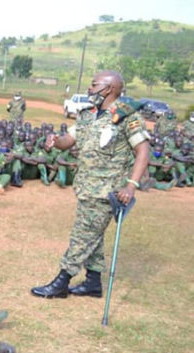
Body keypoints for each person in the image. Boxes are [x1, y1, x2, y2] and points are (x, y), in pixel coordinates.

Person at [31, 70, 151, 299]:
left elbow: (143, 151)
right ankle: (93, 283)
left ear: (109, 89)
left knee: (82, 235)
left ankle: (61, 281)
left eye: (94, 85)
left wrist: (131, 185)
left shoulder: (127, 117)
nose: (89, 88)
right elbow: (70, 141)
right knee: (92, 236)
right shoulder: (88, 114)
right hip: (86, 186)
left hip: (107, 190)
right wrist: (56, 141)